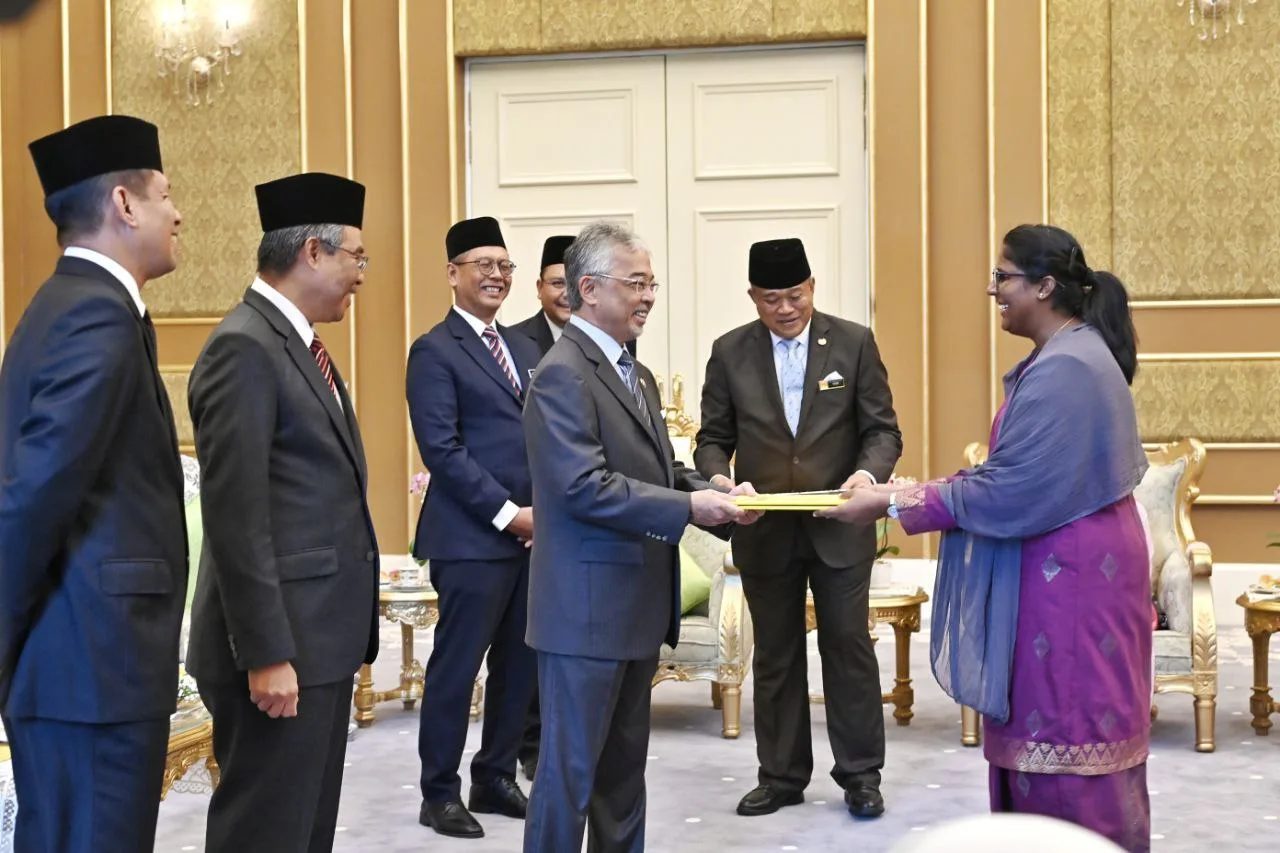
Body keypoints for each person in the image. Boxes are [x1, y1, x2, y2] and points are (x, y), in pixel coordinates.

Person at [817, 224, 1151, 853]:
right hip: (1072, 561)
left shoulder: (1068, 367)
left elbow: (1011, 491)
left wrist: (892, 500)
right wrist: (911, 494)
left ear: (1044, 286)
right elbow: (1014, 478)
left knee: (1066, 735)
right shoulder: (1072, 353)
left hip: (1070, 579)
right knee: (1059, 723)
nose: (993, 289)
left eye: (1003, 277)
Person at [522, 220, 761, 853]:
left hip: (634, 609)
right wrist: (689, 505)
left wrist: (716, 490)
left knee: (623, 780)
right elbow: (584, 487)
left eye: (652, 283)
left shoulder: (636, 372)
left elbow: (657, 471)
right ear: (589, 289)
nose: (649, 296)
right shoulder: (562, 374)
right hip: (584, 616)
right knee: (569, 779)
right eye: (636, 283)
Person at [0, 114, 187, 853]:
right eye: (165, 195)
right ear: (124, 203)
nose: (177, 213)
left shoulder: (77, 303)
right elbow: (31, 500)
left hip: (85, 668)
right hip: (90, 673)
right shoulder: (95, 316)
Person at [185, 172, 379, 853]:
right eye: (356, 256)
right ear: (313, 252)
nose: (361, 274)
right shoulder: (245, 346)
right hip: (276, 649)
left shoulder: (298, 344)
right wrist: (267, 653)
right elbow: (236, 517)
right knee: (265, 833)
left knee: (303, 831)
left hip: (317, 640)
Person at [694, 237, 902, 820]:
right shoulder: (730, 352)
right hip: (763, 527)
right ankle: (781, 776)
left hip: (839, 525)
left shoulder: (854, 342)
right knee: (776, 654)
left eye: (795, 295)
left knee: (848, 648)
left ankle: (861, 775)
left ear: (812, 287)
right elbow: (712, 440)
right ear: (752, 297)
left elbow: (882, 430)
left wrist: (866, 477)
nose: (785, 308)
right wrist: (723, 483)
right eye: (770, 298)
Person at [408, 215, 540, 838]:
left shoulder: (526, 348)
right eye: (483, 265)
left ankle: (494, 776)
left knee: (519, 664)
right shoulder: (434, 350)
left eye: (505, 266)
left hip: (534, 538)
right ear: (452, 273)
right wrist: (509, 514)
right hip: (471, 540)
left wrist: (543, 515)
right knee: (457, 669)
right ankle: (439, 792)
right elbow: (443, 450)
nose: (496, 276)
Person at [513, 234, 636, 360]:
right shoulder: (514, 340)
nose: (568, 294)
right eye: (558, 283)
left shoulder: (616, 336)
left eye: (575, 284)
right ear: (540, 288)